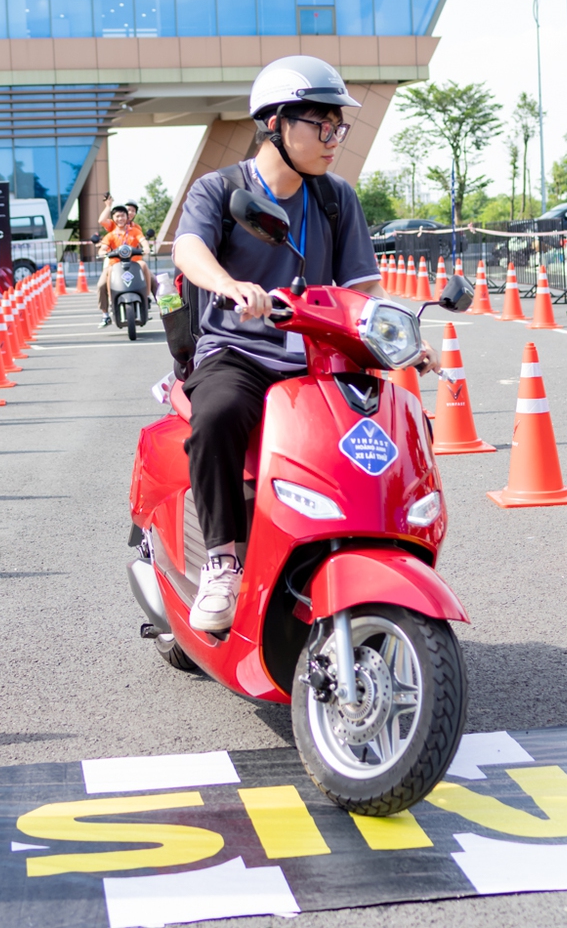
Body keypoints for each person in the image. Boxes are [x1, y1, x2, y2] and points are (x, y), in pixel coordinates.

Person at [172, 55, 424, 633]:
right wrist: (230, 285)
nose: (335, 138)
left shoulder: (336, 199)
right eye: (323, 125)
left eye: (340, 126)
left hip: (321, 357)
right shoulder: (221, 189)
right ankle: (222, 559)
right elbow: (189, 249)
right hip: (239, 351)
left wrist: (404, 337)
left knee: (383, 428)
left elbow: (363, 287)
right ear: (277, 123)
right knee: (217, 414)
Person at [96, 197, 148, 328]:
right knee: (101, 284)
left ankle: (147, 297)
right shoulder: (110, 234)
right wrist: (102, 252)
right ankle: (106, 311)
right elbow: (103, 248)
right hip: (115, 265)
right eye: (117, 216)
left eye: (123, 215)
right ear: (113, 218)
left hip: (135, 263)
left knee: (145, 267)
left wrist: (146, 248)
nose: (121, 218)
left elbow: (143, 241)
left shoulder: (135, 230)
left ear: (128, 216)